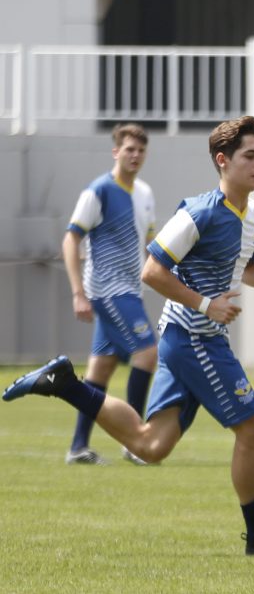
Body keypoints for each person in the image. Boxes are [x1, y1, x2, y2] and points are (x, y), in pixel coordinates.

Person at [4, 116, 254, 557]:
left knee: (151, 445)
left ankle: (66, 384)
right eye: (250, 156)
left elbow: (244, 268)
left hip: (192, 335)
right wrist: (206, 305)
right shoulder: (199, 212)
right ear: (223, 161)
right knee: (253, 428)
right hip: (194, 337)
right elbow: (151, 271)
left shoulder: (253, 215)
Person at [61, 123, 157, 466]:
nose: (135, 156)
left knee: (99, 372)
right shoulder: (98, 191)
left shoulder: (144, 193)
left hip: (131, 290)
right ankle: (135, 442)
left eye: (141, 150)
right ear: (115, 152)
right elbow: (70, 239)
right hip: (108, 291)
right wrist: (78, 293)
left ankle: (77, 447)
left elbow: (149, 243)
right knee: (147, 354)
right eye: (129, 149)